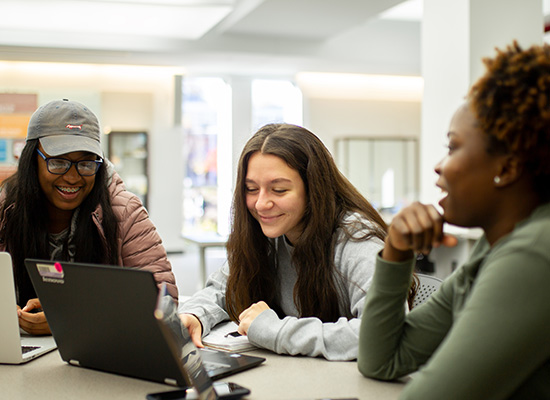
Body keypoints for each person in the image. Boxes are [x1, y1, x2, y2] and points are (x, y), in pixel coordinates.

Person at [358, 42, 550, 399]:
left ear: (506, 167)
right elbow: (382, 360)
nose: (438, 166)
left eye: (453, 147)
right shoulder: (493, 248)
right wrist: (396, 252)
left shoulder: (534, 253)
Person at [179, 123, 413, 361]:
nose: (261, 204)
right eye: (251, 189)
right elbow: (223, 287)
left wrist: (274, 329)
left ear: (314, 189)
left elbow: (381, 334)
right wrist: (195, 314)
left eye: (278, 190)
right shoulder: (270, 233)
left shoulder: (356, 240)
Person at [0, 99, 178, 335]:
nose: (73, 178)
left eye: (85, 163)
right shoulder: (5, 209)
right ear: (33, 161)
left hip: (99, 355)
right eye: (59, 162)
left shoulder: (124, 211)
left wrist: (69, 315)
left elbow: (165, 304)